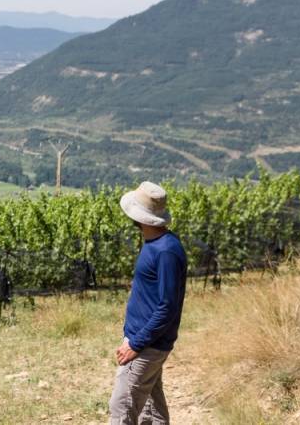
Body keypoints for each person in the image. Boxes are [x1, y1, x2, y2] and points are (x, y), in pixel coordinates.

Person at [109, 181, 187, 425]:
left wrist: (136, 344)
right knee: (151, 414)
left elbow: (167, 307)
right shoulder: (156, 243)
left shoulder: (166, 251)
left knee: (122, 408)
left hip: (146, 345)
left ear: (141, 218)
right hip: (144, 340)